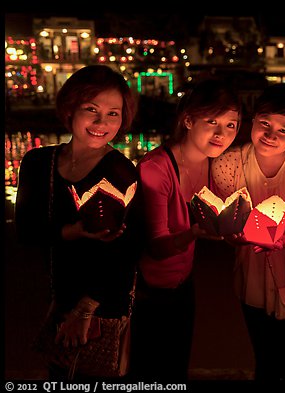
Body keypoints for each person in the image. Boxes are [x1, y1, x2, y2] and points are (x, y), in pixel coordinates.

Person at [15, 64, 140, 380]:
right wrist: (71, 231)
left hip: (101, 304)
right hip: (54, 296)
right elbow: (26, 231)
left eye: (114, 113)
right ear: (70, 109)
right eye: (91, 109)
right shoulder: (38, 162)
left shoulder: (122, 172)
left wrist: (85, 310)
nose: (102, 122)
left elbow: (126, 253)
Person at [211, 83, 285, 382]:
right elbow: (221, 218)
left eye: (284, 130)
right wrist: (228, 234)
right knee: (263, 358)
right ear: (254, 119)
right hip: (251, 277)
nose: (271, 135)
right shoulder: (228, 164)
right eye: (265, 124)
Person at [129, 78, 242, 380]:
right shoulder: (155, 168)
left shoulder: (215, 165)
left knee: (176, 368)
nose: (222, 134)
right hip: (147, 292)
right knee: (145, 371)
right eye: (212, 122)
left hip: (183, 282)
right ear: (189, 120)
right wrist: (195, 232)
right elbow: (156, 246)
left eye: (232, 125)